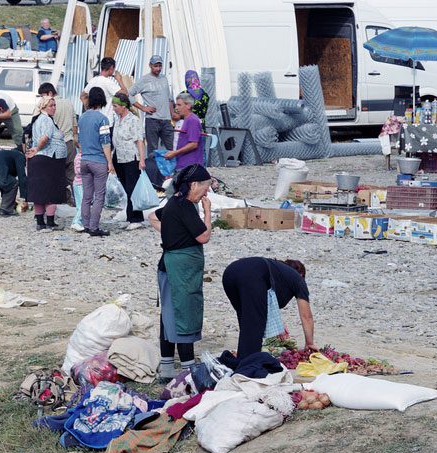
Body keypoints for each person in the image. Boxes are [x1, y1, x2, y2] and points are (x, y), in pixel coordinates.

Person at [149, 166, 212, 380]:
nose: (206, 193)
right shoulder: (185, 205)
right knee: (182, 314)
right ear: (194, 185)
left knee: (169, 315)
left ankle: (167, 368)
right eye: (205, 187)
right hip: (178, 269)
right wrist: (208, 212)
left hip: (171, 267)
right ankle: (187, 370)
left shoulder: (174, 201)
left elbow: (153, 217)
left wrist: (172, 231)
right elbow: (204, 236)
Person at [223, 257, 314, 360]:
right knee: (254, 326)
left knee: (247, 323)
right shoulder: (298, 279)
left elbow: (266, 304)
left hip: (229, 273)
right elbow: (306, 316)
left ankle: (242, 359)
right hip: (251, 275)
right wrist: (309, 343)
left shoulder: (277, 272)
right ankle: (247, 368)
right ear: (301, 274)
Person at [129, 54, 173, 188]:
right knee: (153, 151)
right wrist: (143, 108)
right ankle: (153, 181)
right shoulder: (144, 80)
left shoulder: (164, 78)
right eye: (156, 66)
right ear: (150, 65)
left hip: (166, 120)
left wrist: (172, 114)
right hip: (152, 120)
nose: (158, 68)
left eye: (160, 66)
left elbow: (169, 98)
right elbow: (129, 94)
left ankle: (170, 177)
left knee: (171, 149)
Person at [77, 86, 115, 237]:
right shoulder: (102, 119)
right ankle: (94, 227)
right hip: (98, 161)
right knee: (99, 196)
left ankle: (85, 225)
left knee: (86, 196)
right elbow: (105, 143)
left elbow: (79, 140)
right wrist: (110, 162)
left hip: (84, 160)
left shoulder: (82, 117)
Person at [25, 94, 68, 230]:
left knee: (39, 192)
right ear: (44, 107)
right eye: (51, 105)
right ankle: (49, 222)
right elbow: (45, 138)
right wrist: (37, 149)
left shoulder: (37, 120)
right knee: (51, 192)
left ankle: (40, 222)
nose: (54, 108)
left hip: (41, 159)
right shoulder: (47, 120)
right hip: (50, 158)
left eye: (55, 105)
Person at [110, 93, 147, 231]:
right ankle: (129, 216)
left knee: (133, 188)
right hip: (119, 157)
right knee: (126, 188)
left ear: (123, 106)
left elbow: (139, 140)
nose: (113, 109)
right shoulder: (117, 119)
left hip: (131, 157)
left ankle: (136, 218)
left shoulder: (133, 120)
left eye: (115, 106)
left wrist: (142, 159)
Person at [38, 82, 77, 201]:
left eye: (42, 95)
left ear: (50, 93)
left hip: (54, 145)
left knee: (53, 174)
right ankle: (77, 200)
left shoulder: (48, 106)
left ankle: (55, 200)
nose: (42, 99)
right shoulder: (69, 103)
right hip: (69, 143)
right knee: (72, 175)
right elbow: (75, 126)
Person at [166, 94, 204, 171]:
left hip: (190, 166)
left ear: (188, 106)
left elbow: (193, 144)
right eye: (176, 105)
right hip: (183, 164)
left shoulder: (192, 120)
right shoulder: (187, 119)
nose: (176, 108)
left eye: (179, 105)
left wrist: (175, 153)